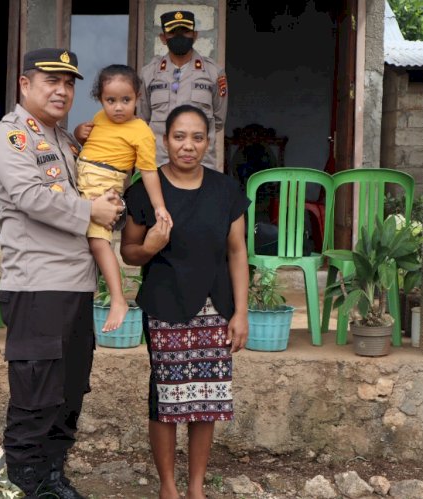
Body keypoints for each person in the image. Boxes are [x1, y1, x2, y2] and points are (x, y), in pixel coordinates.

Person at [0, 48, 123, 499]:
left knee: (69, 392)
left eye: (69, 83)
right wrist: (90, 210)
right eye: (51, 81)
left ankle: (52, 478)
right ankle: (24, 484)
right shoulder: (11, 137)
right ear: (25, 85)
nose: (62, 91)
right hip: (37, 284)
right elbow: (30, 197)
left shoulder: (64, 140)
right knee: (35, 393)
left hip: (76, 283)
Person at [121, 104, 249, 499]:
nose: (187, 146)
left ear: (208, 143)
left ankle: (196, 488)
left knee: (206, 398)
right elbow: (128, 251)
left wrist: (241, 312)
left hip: (215, 306)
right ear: (165, 141)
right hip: (165, 305)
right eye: (179, 137)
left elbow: (237, 252)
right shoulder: (146, 189)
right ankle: (168, 487)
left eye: (197, 138)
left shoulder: (225, 189)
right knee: (167, 397)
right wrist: (150, 246)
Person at [72, 64, 172, 332]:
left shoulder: (141, 131)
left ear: (138, 97)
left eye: (125, 100)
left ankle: (118, 299)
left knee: (98, 240)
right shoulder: (99, 118)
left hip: (104, 187)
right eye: (110, 101)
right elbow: (92, 146)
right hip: (78, 181)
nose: (118, 107)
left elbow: (148, 172)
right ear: (100, 99)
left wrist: (159, 206)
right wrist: (77, 134)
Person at [138, 10, 228, 171]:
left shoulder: (214, 72)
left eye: (185, 31)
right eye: (173, 32)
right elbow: (142, 120)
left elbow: (219, 120)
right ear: (163, 38)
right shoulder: (149, 73)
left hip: (200, 163)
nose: (179, 37)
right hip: (157, 163)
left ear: (195, 35)